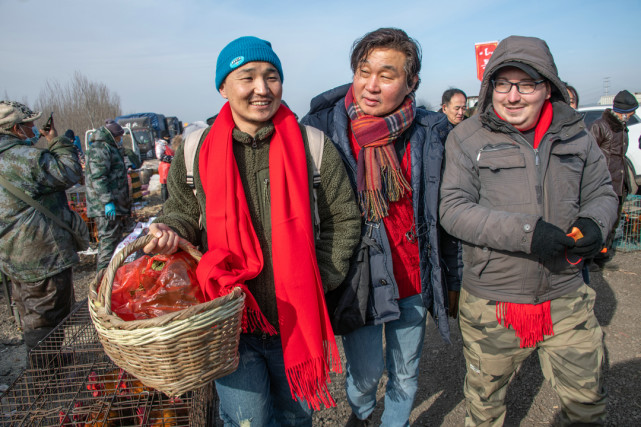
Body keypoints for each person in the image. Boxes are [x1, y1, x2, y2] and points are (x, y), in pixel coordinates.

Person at [143, 36, 361, 426]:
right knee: (248, 420)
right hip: (229, 322)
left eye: (272, 77)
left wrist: (319, 278)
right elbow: (182, 212)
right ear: (223, 87)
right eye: (248, 77)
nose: (262, 89)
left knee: (296, 418)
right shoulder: (196, 150)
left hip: (295, 318)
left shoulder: (312, 146)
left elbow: (343, 218)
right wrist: (169, 230)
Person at [439, 35, 618, 426]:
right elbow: (452, 209)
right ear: (490, 88)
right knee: (484, 408)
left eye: (527, 84)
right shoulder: (466, 138)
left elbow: (602, 192)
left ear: (548, 87)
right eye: (503, 83)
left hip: (566, 293)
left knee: (587, 405)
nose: (513, 96)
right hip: (493, 304)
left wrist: (595, 223)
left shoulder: (577, 134)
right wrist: (527, 232)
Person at [302, 28, 462, 427]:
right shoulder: (321, 130)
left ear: (412, 83)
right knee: (365, 374)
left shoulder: (430, 133)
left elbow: (446, 217)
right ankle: (361, 414)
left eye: (386, 75)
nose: (370, 86)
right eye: (363, 71)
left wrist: (453, 277)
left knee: (406, 371)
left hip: (412, 279)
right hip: (358, 282)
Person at [0, 101, 82, 354]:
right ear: (16, 129)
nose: (35, 128)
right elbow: (69, 172)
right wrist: (57, 141)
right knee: (46, 315)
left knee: (29, 310)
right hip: (41, 253)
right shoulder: (22, 158)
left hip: (13, 250)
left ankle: (46, 361)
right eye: (29, 125)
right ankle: (44, 373)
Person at [590, 90, 639, 268]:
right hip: (604, 182)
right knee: (601, 220)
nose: (632, 116)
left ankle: (603, 254)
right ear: (622, 111)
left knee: (614, 220)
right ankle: (592, 257)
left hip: (619, 181)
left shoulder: (622, 128)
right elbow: (590, 154)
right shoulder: (600, 126)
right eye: (631, 112)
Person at [85, 119, 142, 271]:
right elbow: (99, 178)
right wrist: (107, 202)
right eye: (118, 137)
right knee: (108, 244)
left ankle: (112, 278)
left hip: (116, 205)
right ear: (112, 136)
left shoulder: (110, 148)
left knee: (115, 243)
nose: (120, 140)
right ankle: (102, 281)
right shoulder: (100, 149)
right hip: (105, 208)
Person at [155, 130, 174, 201]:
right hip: (164, 167)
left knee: (172, 184)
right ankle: (164, 201)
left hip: (171, 166)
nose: (168, 138)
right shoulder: (160, 145)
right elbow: (159, 156)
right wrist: (170, 158)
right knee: (164, 184)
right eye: (166, 137)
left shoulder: (169, 144)